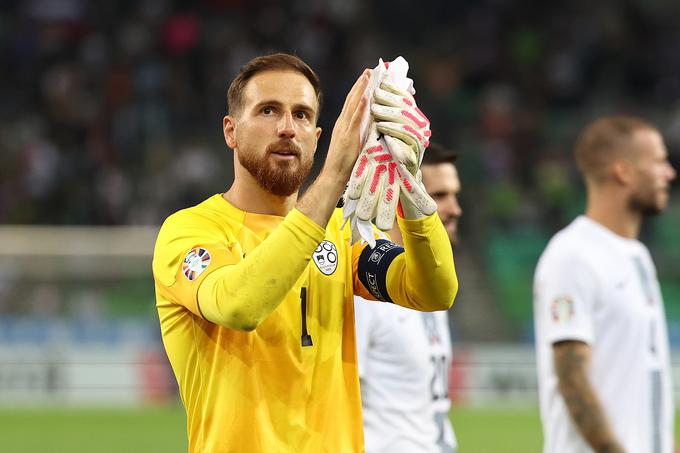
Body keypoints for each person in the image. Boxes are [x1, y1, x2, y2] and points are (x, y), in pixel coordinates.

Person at [151, 53, 458, 452]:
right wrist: (334, 175)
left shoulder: (341, 236)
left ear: (316, 136)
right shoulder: (190, 231)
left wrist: (412, 190)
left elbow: (433, 291)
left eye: (301, 115)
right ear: (231, 131)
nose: (286, 128)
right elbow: (239, 306)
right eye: (267, 111)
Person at [533, 116, 677, 453]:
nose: (669, 173)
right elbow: (573, 379)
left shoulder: (638, 256)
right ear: (623, 172)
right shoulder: (572, 256)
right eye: (658, 161)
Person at [355, 142, 462, 453]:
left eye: (454, 195)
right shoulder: (367, 287)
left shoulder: (432, 291)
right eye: (440, 196)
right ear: (405, 199)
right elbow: (336, 395)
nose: (455, 208)